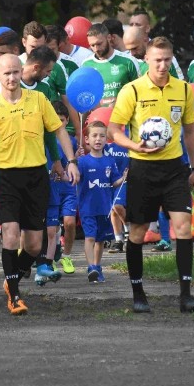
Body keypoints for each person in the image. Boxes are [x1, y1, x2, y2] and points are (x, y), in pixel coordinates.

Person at [0, 54, 80, 315]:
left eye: (15, 72)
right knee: (10, 234)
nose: (11, 78)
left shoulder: (39, 100)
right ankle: (15, 296)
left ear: (21, 72)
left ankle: (12, 281)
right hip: (6, 177)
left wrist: (71, 161)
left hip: (36, 177)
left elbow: (57, 131)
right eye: (6, 73)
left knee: (33, 245)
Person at [107, 37, 194, 314]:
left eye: (167, 60)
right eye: (157, 59)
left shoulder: (183, 90)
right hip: (142, 169)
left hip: (174, 168)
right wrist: (133, 145)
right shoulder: (132, 90)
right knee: (137, 233)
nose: (162, 65)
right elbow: (114, 129)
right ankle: (138, 293)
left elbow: (190, 130)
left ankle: (186, 294)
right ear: (147, 60)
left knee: (183, 228)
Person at [77, 120, 126, 283]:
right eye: (94, 136)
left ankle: (97, 267)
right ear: (87, 140)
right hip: (87, 208)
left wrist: (124, 178)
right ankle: (90, 267)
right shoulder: (82, 161)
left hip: (105, 208)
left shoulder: (110, 161)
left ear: (107, 139)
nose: (98, 139)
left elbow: (114, 182)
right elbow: (74, 179)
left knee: (100, 241)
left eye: (102, 136)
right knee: (90, 238)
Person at [36, 101, 79, 283]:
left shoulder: (71, 142)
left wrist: (76, 162)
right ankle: (42, 264)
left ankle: (58, 259)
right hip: (45, 191)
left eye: (62, 120)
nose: (58, 124)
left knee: (62, 226)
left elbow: (74, 167)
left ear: (67, 120)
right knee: (41, 231)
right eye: (55, 119)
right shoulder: (40, 139)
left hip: (64, 190)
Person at [82, 23, 140, 108]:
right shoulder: (86, 65)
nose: (96, 49)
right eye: (92, 45)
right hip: (98, 119)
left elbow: (139, 92)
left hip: (123, 117)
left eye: (99, 44)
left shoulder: (128, 61)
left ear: (109, 38)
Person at [128, 9, 185, 79]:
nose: (133, 28)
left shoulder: (164, 52)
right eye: (131, 25)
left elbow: (180, 83)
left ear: (147, 28)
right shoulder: (125, 57)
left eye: (137, 25)